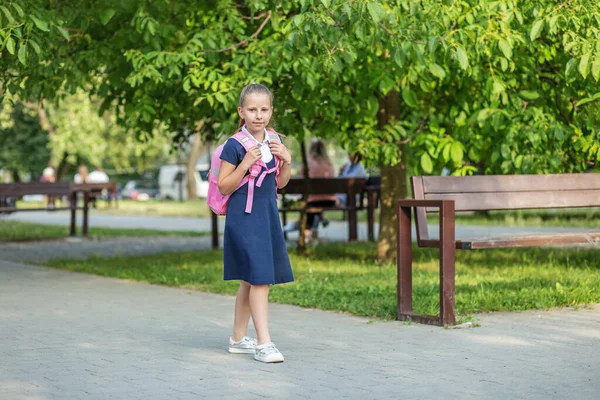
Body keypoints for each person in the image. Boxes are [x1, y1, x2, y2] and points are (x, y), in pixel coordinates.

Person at [217, 83, 293, 363]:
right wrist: (245, 163)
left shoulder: (275, 139)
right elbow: (224, 186)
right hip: (244, 217)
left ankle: (238, 339)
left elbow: (280, 183)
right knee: (261, 279)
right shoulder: (235, 145)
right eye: (252, 109)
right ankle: (264, 343)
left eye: (264, 109)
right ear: (241, 111)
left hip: (267, 213)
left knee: (250, 281)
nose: (258, 115)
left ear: (271, 111)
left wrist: (287, 161)